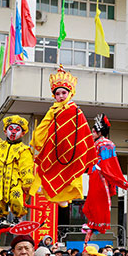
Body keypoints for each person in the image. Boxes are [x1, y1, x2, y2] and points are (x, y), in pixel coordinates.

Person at [30, 66, 97, 206]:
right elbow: (44, 125)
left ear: (70, 93)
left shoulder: (76, 110)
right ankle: (56, 194)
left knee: (72, 173)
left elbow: (83, 132)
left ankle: (66, 195)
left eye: (64, 93)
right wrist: (38, 139)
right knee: (49, 168)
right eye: (58, 93)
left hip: (71, 148)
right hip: (54, 146)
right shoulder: (53, 110)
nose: (61, 96)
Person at [82, 114, 128, 239]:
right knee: (95, 199)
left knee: (97, 199)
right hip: (96, 173)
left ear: (100, 132)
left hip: (99, 173)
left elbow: (109, 162)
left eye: (93, 131)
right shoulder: (99, 143)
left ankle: (95, 224)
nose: (92, 133)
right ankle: (95, 224)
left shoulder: (105, 143)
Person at [0, 116, 34, 223]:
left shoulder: (24, 150)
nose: (13, 132)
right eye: (11, 129)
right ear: (5, 132)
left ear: (22, 133)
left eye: (17, 130)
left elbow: (26, 167)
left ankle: (17, 218)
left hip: (15, 182)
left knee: (16, 198)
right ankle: (1, 218)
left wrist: (27, 183)